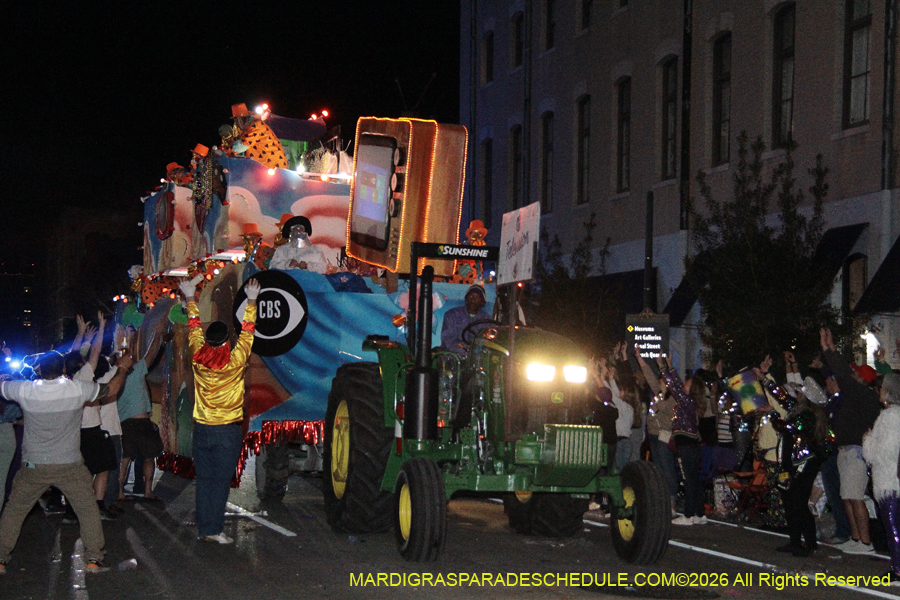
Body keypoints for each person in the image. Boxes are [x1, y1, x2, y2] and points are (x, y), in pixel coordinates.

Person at [0, 349, 132, 575]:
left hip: (34, 465)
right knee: (87, 509)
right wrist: (122, 368)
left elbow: (3, 384)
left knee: (15, 510)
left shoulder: (24, 389)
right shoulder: (76, 389)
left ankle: (0, 559)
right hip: (69, 465)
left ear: (39, 369)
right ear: (63, 369)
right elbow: (111, 390)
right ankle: (93, 559)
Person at [179, 277, 259, 544]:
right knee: (220, 482)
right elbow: (248, 332)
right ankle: (213, 529)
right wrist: (252, 301)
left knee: (204, 481)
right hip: (226, 432)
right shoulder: (235, 360)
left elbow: (193, 329)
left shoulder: (198, 357)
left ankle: (206, 529)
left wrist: (190, 297)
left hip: (202, 430)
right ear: (227, 340)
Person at [821, 328, 882, 554]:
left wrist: (831, 351)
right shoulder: (856, 398)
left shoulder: (864, 396)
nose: (851, 377)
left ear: (861, 380)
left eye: (856, 375)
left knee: (855, 497)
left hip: (856, 450)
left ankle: (865, 542)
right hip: (846, 448)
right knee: (846, 495)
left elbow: (842, 376)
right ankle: (856, 537)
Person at [764, 373, 831, 557]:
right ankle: (804, 542)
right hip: (796, 464)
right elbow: (783, 398)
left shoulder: (806, 415)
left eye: (800, 393)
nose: (797, 394)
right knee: (794, 502)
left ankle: (802, 543)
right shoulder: (803, 411)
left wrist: (771, 413)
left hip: (801, 465)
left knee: (796, 503)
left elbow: (785, 428)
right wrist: (765, 379)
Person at [117, 320, 167, 501]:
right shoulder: (137, 370)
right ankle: (147, 490)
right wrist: (158, 334)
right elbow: (152, 352)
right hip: (141, 422)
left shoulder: (114, 375)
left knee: (125, 458)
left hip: (123, 423)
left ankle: (120, 492)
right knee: (149, 457)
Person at [657, 355, 705, 525]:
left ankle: (688, 515)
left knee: (688, 481)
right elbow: (677, 386)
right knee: (694, 480)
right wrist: (670, 366)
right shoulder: (690, 402)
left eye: (688, 383)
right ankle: (700, 514)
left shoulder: (686, 401)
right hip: (691, 445)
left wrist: (663, 367)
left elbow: (675, 387)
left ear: (691, 389)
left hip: (686, 446)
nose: (684, 383)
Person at [863, 374, 900, 586]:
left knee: (893, 527)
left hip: (889, 483)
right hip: (896, 480)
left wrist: (867, 440)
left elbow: (881, 453)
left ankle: (898, 570)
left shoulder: (888, 417)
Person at [440, 285, 491, 356]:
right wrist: (466, 350)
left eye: (477, 297)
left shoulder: (487, 319)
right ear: (466, 298)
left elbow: (489, 342)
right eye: (471, 296)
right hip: (453, 357)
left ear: (482, 302)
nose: (473, 300)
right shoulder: (452, 314)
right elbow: (448, 340)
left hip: (477, 359)